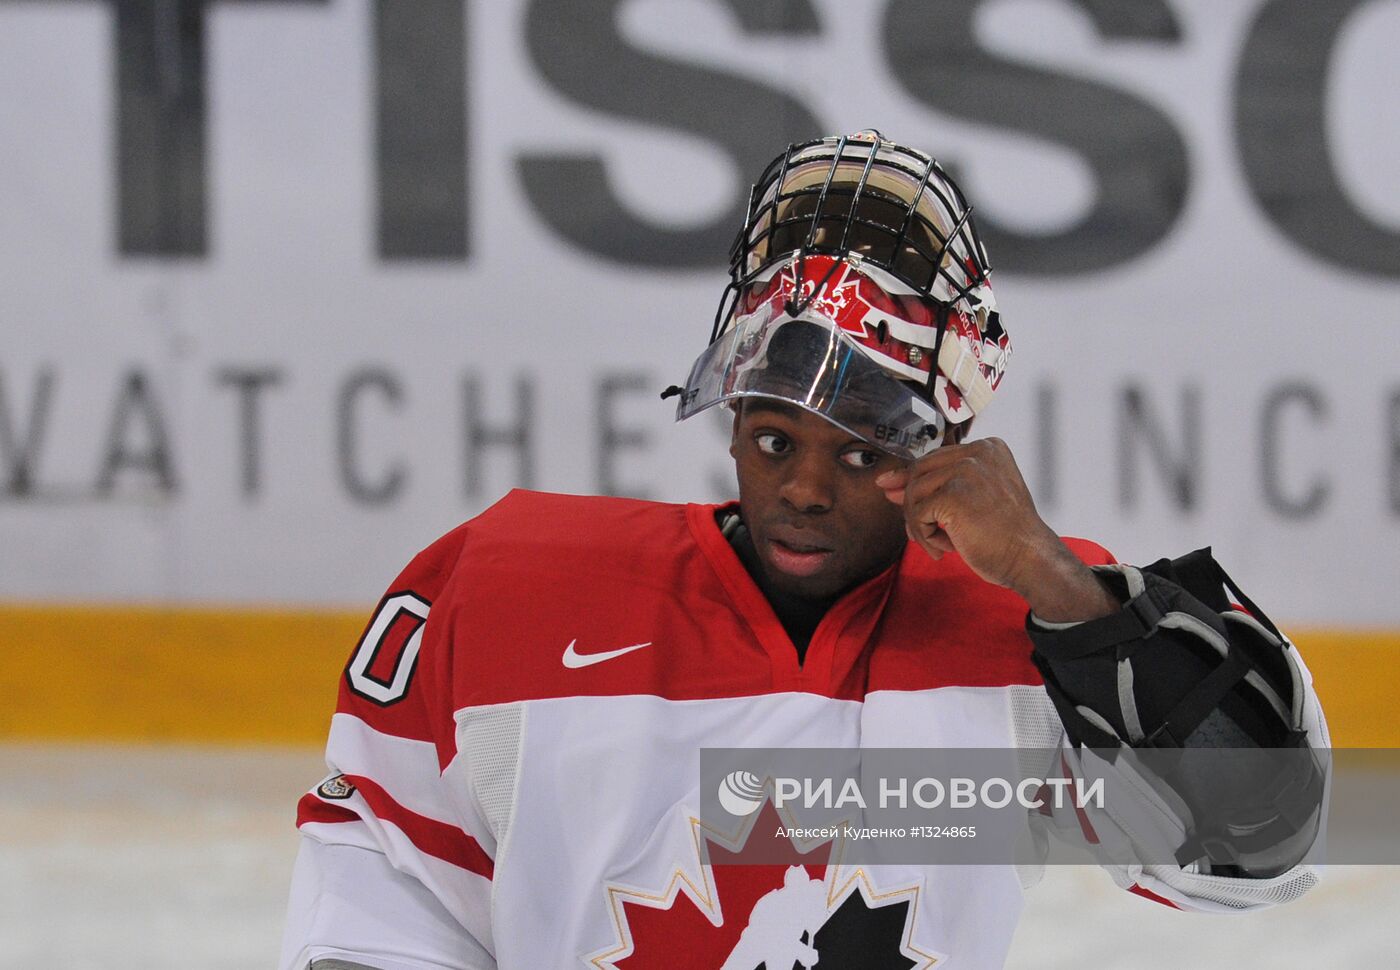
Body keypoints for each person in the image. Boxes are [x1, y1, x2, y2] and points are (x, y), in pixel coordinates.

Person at [280, 132, 1327, 970]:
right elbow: (386, 891)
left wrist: (1057, 583)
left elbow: (1255, 842)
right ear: (731, 414)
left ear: (942, 446)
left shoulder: (1027, 644)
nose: (804, 489)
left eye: (863, 448)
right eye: (774, 438)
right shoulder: (506, 584)